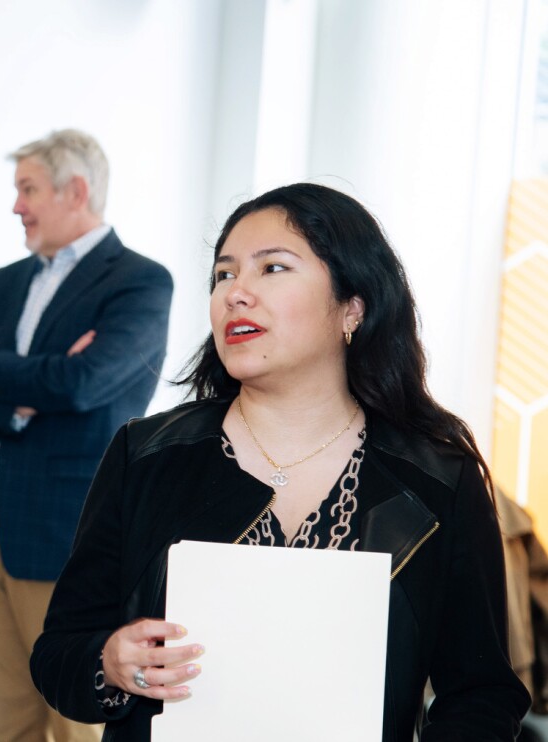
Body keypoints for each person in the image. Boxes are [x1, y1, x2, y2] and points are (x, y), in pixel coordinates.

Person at [30, 183, 531, 740]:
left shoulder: (438, 477)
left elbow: (482, 694)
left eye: (272, 268)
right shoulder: (145, 455)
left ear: (353, 306)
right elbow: (58, 655)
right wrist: (110, 664)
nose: (235, 294)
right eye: (224, 275)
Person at [0, 129, 172, 742]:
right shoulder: (7, 280)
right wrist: (16, 401)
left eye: (28, 189)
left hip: (67, 529)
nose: (17, 205)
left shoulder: (140, 282)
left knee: (73, 725)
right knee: (9, 719)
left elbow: (82, 384)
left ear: (77, 190)